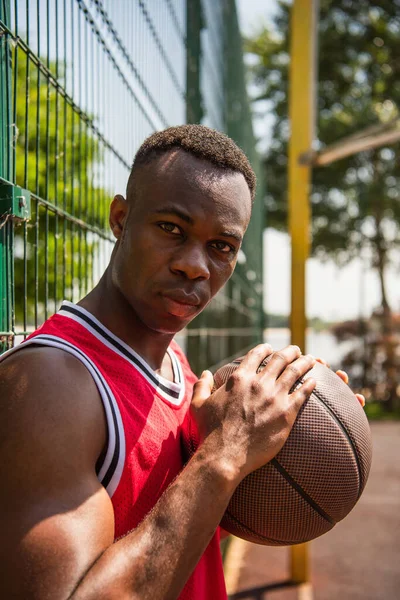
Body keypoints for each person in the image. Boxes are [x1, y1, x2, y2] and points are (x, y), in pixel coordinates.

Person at [0, 125, 363, 600]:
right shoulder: (51, 383)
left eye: (221, 247)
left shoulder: (175, 365)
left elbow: (184, 531)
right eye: (172, 229)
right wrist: (226, 451)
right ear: (120, 218)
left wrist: (291, 441)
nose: (195, 264)